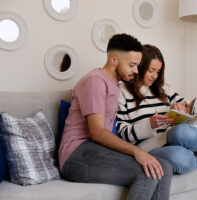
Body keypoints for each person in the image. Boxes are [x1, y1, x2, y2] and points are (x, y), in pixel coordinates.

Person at [59, 34, 172, 200]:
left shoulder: (115, 84)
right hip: (75, 155)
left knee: (164, 167)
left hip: (96, 150)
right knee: (148, 172)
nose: (136, 70)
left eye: (138, 65)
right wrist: (136, 152)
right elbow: (96, 132)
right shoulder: (95, 81)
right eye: (132, 65)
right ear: (114, 60)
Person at [117, 44, 197, 174]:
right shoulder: (121, 92)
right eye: (151, 71)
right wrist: (149, 125)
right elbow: (122, 133)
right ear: (139, 67)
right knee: (178, 157)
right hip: (148, 147)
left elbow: (185, 104)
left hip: (172, 136)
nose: (155, 76)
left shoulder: (163, 88)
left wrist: (181, 107)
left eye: (158, 72)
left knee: (182, 132)